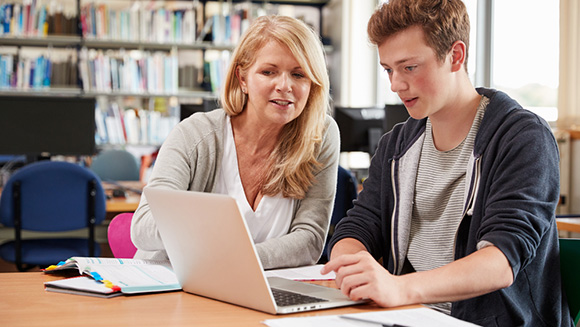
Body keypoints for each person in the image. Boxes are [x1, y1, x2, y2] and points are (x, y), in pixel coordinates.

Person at [321, 0, 573, 326]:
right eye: (388, 70)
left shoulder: (523, 138)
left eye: (409, 67)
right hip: (408, 315)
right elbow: (357, 227)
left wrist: (399, 288)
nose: (395, 84)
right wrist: (352, 267)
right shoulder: (396, 145)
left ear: (455, 56)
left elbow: (499, 262)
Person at [131, 15, 340, 270]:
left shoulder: (320, 135)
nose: (285, 86)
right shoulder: (195, 134)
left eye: (299, 74)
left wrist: (238, 260)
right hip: (173, 285)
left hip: (259, 292)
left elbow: (310, 240)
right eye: (268, 72)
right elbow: (143, 226)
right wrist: (220, 242)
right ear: (243, 79)